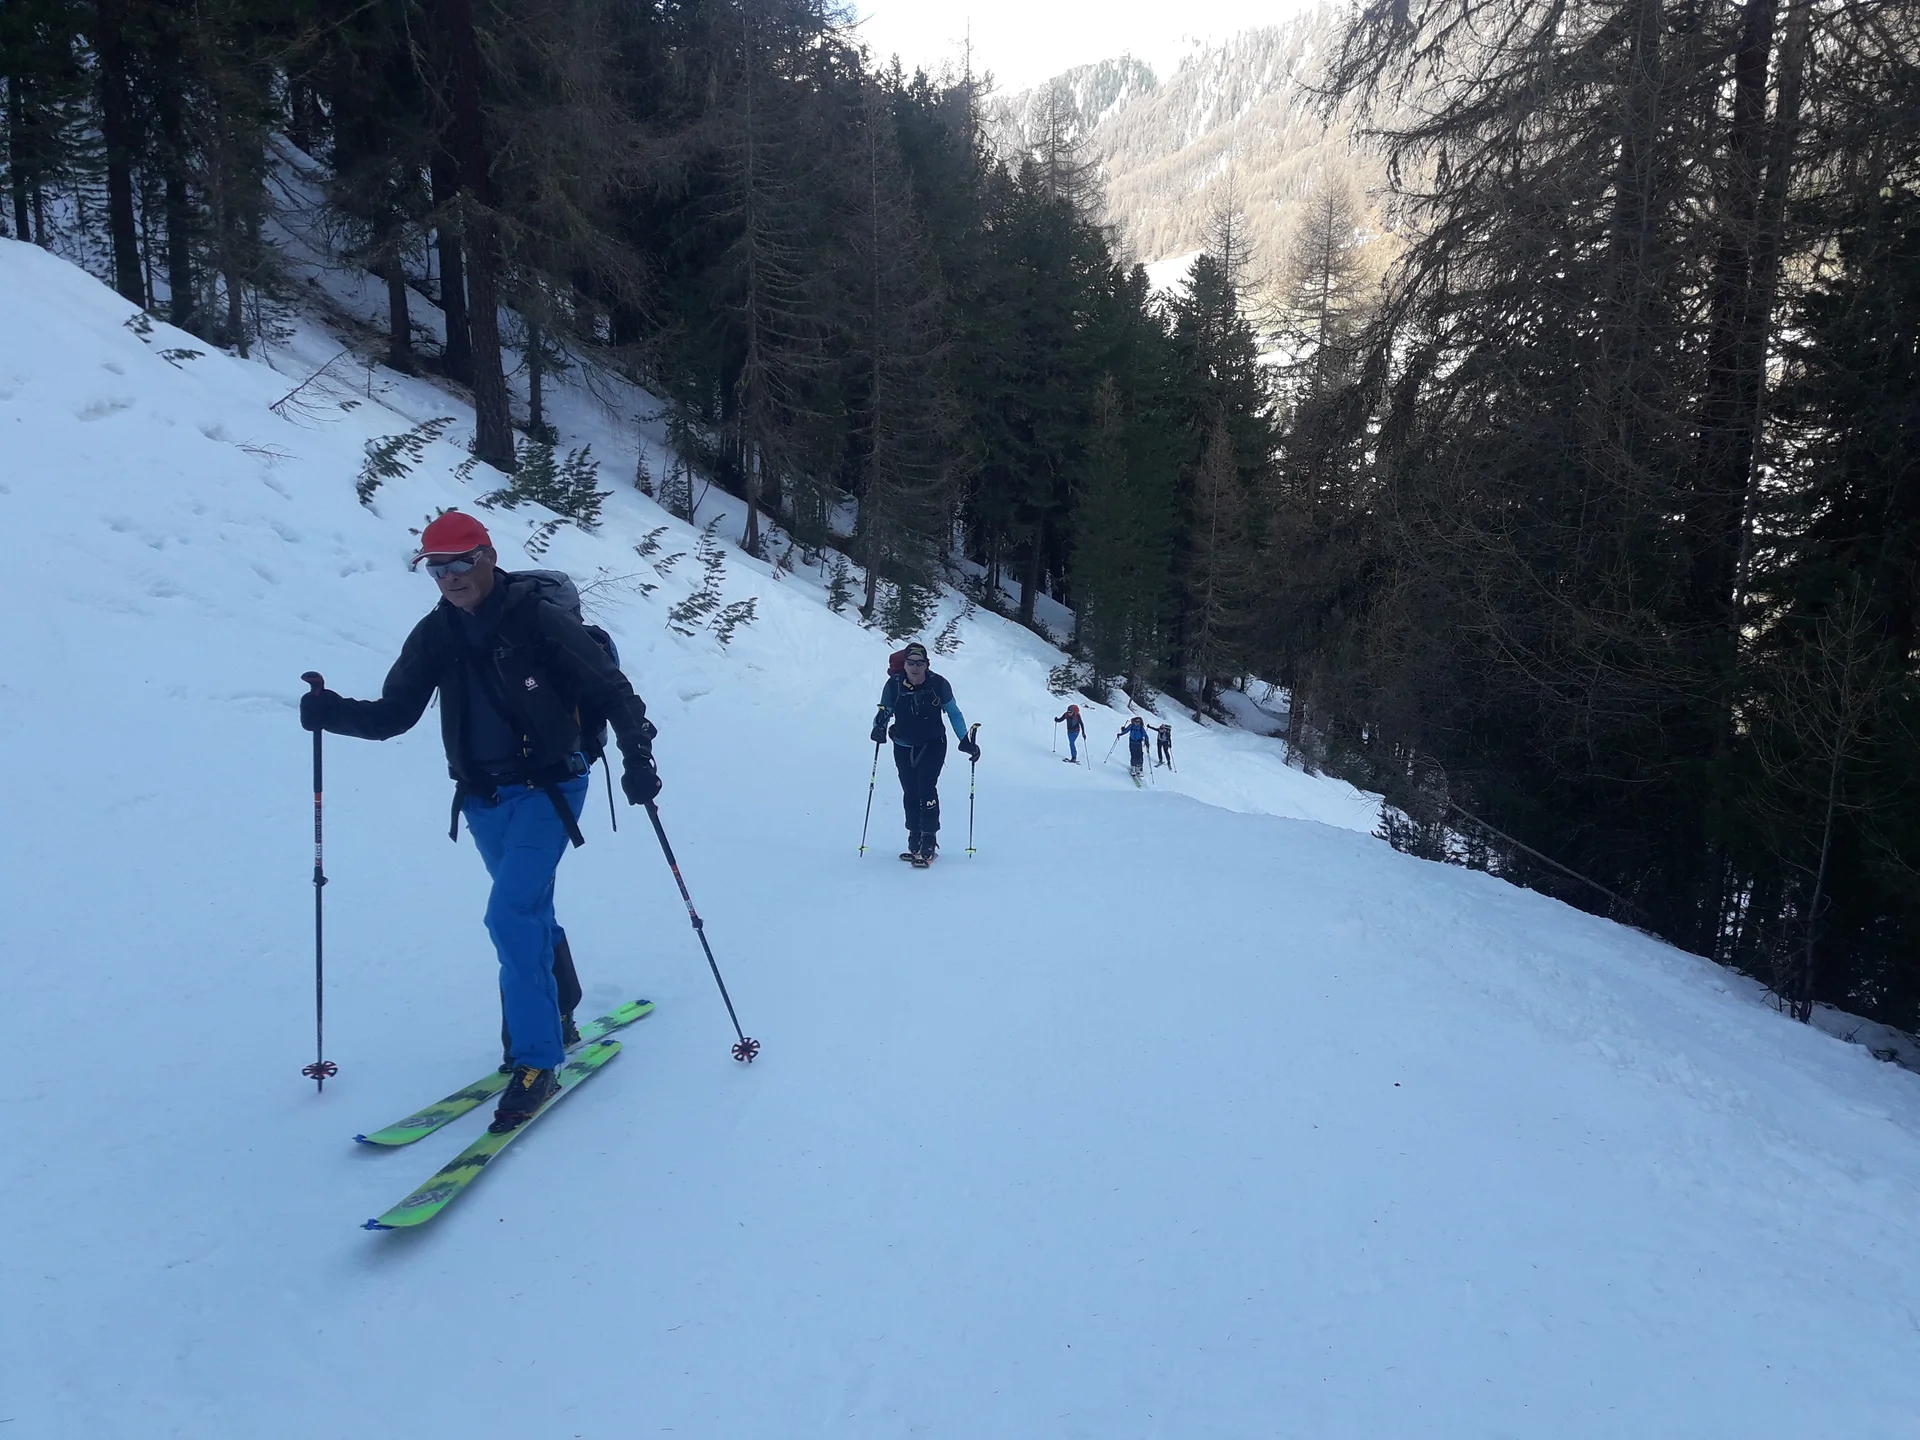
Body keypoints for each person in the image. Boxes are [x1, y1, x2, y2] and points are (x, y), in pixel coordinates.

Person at [299, 511, 660, 1132]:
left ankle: (535, 1061)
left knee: (509, 915)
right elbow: (394, 715)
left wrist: (637, 759)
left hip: (550, 790)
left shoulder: (539, 620)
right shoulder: (436, 633)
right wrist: (330, 712)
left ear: (488, 556)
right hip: (481, 800)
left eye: (461, 561)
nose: (450, 576)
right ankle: (559, 1012)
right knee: (530, 911)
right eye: (436, 566)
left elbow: (610, 689)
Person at [871, 640, 976, 866]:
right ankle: (914, 835)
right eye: (911, 663)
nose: (915, 667)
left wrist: (965, 741)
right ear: (905, 665)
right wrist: (877, 728)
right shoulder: (894, 684)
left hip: (933, 744)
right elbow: (883, 711)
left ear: (927, 664)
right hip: (903, 745)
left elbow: (954, 713)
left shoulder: (939, 684)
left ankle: (929, 837)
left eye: (920, 663)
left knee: (926, 787)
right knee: (909, 791)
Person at [1118, 715, 1150, 781]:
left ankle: (1138, 769)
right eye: (1136, 721)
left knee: (1139, 755)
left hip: (1138, 744)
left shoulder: (1141, 728)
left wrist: (1147, 742)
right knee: (1133, 755)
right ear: (1134, 721)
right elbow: (1126, 731)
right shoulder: (1131, 726)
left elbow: (1145, 735)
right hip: (1132, 743)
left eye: (1138, 722)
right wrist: (1120, 734)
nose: (1137, 723)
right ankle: (1133, 768)